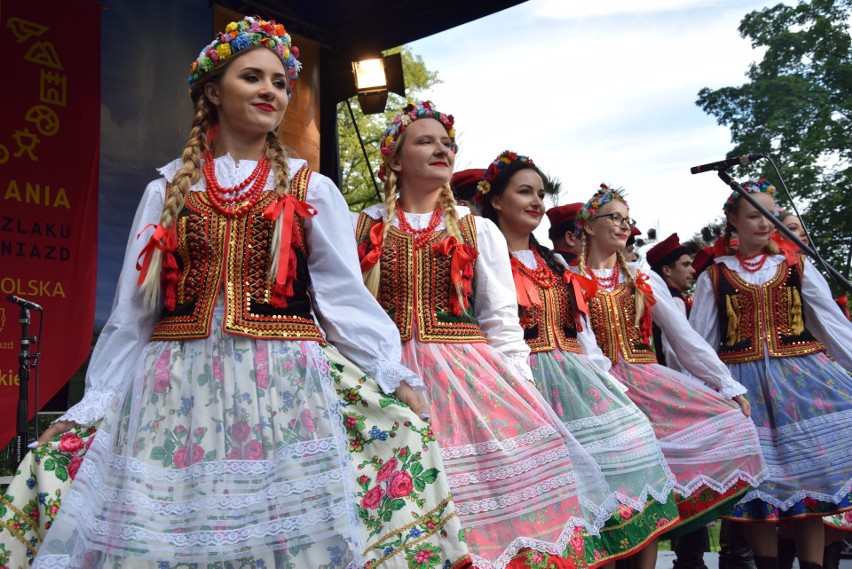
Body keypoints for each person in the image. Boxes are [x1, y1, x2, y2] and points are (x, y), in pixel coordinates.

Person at [30, 18, 470, 568]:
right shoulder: (166, 189)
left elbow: (343, 299)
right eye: (253, 77)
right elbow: (133, 312)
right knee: (182, 528)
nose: (271, 90)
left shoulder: (314, 189)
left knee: (290, 529)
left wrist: (391, 374)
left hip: (286, 386)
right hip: (175, 389)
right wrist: (94, 403)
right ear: (213, 92)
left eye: (281, 82)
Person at [355, 101, 617, 569]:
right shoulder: (364, 225)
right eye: (426, 140)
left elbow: (500, 319)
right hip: (385, 373)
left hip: (466, 375)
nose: (442, 149)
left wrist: (524, 391)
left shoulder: (477, 230)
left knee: (483, 501)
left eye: (448, 143)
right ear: (394, 159)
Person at [479, 150, 680, 568]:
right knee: (566, 493)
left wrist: (612, 385)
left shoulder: (555, 262)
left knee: (635, 448)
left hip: (576, 375)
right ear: (496, 200)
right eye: (524, 191)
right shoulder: (482, 256)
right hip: (523, 377)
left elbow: (582, 333)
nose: (537, 201)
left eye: (541, 193)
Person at [571, 184, 767, 542]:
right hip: (598, 387)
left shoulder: (641, 279)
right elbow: (580, 341)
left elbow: (685, 338)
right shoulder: (571, 277)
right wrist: (601, 383)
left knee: (730, 424)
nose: (623, 226)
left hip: (647, 379)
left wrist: (724, 382)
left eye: (627, 220)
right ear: (588, 225)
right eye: (613, 217)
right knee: (619, 489)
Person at [689, 178, 852, 569]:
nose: (765, 223)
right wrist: (701, 394)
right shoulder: (715, 276)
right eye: (753, 215)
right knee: (758, 489)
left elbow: (832, 325)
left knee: (812, 484)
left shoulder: (795, 265)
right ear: (732, 220)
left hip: (802, 381)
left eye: (771, 215)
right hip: (745, 386)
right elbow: (699, 342)